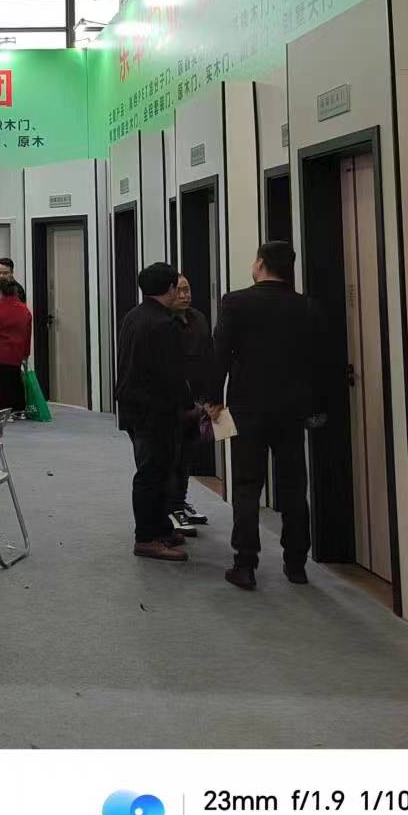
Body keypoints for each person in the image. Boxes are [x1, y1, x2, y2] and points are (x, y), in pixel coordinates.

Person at [212, 241, 331, 591]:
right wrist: (317, 408)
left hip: (247, 408)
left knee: (247, 486)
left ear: (261, 263)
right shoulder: (307, 307)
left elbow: (220, 354)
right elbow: (319, 363)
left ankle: (245, 564)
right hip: (292, 411)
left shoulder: (236, 302)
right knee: (294, 486)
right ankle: (296, 564)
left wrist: (211, 399)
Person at [114, 262, 193, 563]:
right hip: (155, 411)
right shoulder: (164, 324)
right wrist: (190, 407)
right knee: (152, 474)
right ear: (170, 288)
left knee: (157, 471)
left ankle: (161, 528)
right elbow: (171, 374)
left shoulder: (134, 315)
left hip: (134, 407)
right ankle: (146, 538)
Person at [170, 275, 215, 535]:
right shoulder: (164, 322)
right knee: (172, 455)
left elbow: (209, 354)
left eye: (187, 290)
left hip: (198, 398)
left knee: (187, 455)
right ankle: (171, 506)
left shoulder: (198, 318)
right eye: (179, 291)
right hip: (174, 400)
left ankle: (180, 501)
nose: (185, 295)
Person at [0, 279, 33, 413]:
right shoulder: (24, 310)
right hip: (17, 352)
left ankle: (5, 409)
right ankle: (19, 409)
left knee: (2, 382)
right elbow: (28, 334)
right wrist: (26, 354)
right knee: (16, 380)